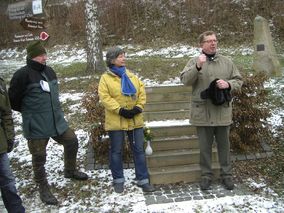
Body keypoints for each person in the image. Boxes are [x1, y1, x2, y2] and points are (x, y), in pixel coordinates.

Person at [8, 41, 88, 205]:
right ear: (32, 57)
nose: (45, 57)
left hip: (56, 122)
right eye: (41, 55)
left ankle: (70, 170)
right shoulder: (22, 75)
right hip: (36, 125)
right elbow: (13, 101)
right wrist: (31, 112)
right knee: (39, 157)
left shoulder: (50, 71)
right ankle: (42, 187)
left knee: (72, 140)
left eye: (45, 54)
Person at [180, 31, 243, 190]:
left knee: (224, 147)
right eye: (208, 41)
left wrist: (228, 84)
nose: (213, 43)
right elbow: (185, 80)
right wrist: (197, 66)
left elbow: (238, 80)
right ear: (201, 45)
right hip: (202, 113)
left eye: (215, 40)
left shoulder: (227, 62)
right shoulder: (194, 61)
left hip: (222, 112)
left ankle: (226, 175)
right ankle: (206, 176)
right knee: (205, 148)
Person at [98, 47, 155, 193]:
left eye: (124, 56)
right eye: (120, 56)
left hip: (135, 120)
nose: (123, 59)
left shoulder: (131, 76)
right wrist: (120, 110)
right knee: (116, 151)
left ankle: (143, 180)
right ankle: (118, 180)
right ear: (111, 60)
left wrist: (138, 108)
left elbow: (141, 92)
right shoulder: (105, 78)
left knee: (138, 150)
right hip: (116, 121)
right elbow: (105, 98)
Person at [0, 76, 25, 212]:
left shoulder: (0, 83)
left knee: (8, 181)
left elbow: (6, 113)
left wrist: (9, 137)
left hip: (0, 144)